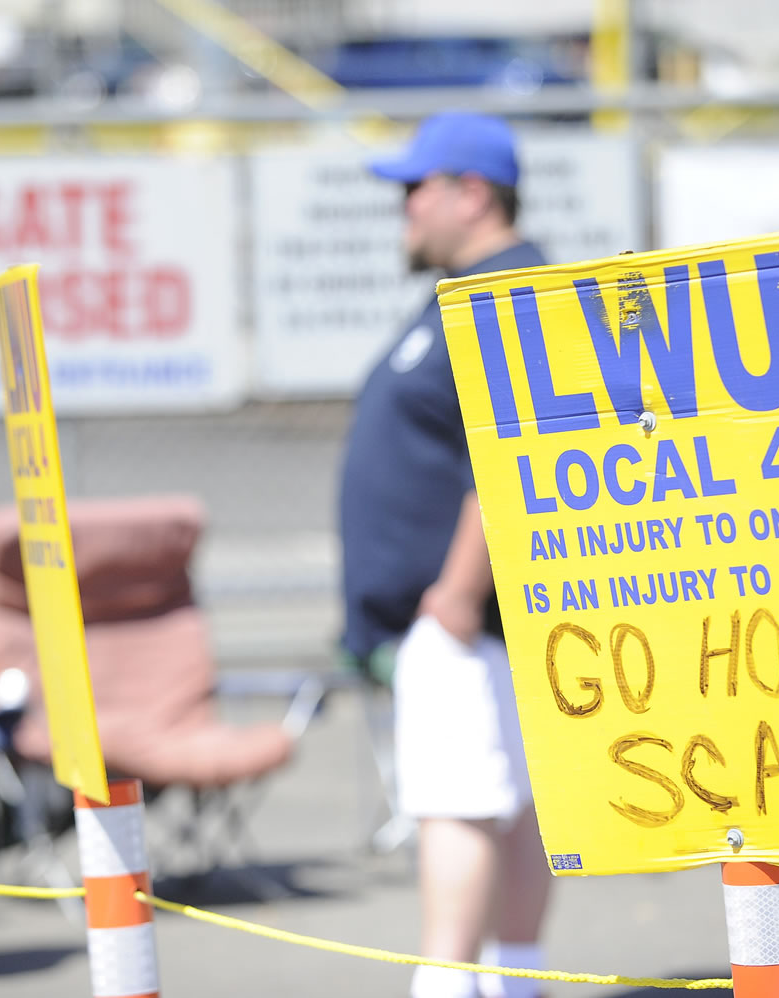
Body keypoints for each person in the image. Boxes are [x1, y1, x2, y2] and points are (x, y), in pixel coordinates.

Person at [337, 112, 551, 998]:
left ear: (473, 192)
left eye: (414, 190)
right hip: (463, 621)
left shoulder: (507, 289)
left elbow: (514, 452)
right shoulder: (466, 290)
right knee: (502, 803)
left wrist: (458, 594)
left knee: (459, 802)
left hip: (469, 621)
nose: (403, 210)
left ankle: (451, 983)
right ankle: (510, 980)